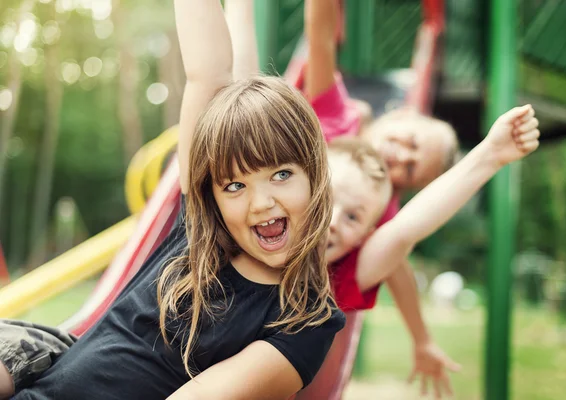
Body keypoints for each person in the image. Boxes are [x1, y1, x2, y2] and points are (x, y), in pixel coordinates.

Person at [0, 0, 345, 399]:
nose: (261, 202)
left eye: (281, 175)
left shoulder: (305, 323)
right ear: (212, 193)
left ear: (315, 176)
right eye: (235, 186)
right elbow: (208, 71)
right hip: (42, 375)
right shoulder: (199, 236)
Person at [295, 0, 540, 399]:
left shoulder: (378, 218)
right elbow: (319, 37)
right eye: (410, 142)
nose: (400, 157)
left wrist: (421, 338)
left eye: (410, 170)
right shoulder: (338, 118)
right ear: (399, 115)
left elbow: (403, 251)